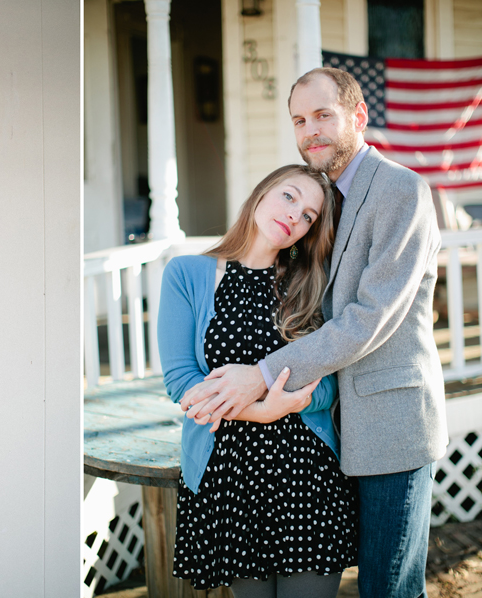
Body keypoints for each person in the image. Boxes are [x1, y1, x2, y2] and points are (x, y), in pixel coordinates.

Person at [182, 68, 449, 598]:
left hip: (389, 424)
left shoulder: (399, 190)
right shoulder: (315, 204)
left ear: (358, 116)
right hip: (323, 430)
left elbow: (369, 317)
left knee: (387, 589)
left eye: (323, 115)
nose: (311, 131)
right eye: (300, 120)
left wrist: (260, 377)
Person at [158, 163, 357, 597]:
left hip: (304, 476)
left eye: (308, 216)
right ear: (262, 194)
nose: (294, 216)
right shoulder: (187, 275)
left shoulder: (310, 286)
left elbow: (327, 385)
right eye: (289, 197)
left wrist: (291, 404)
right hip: (228, 478)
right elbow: (182, 383)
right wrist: (261, 411)